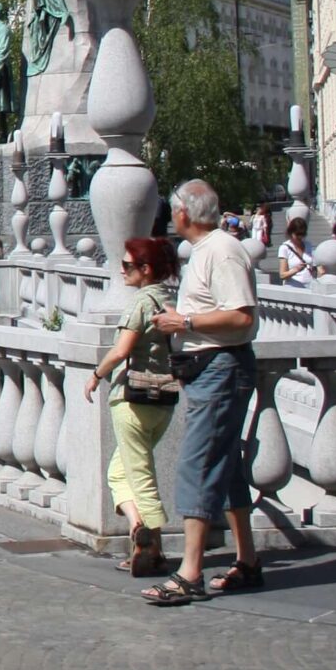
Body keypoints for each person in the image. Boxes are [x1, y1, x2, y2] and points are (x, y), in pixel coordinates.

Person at [143, 179, 263, 606]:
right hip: (209, 369)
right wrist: (183, 317)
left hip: (221, 370)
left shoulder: (222, 250)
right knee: (225, 466)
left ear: (183, 214)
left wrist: (186, 324)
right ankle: (247, 559)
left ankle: (190, 572)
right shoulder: (207, 251)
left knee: (197, 464)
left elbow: (241, 317)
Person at [85, 236, 179, 577]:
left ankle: (152, 542)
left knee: (138, 475)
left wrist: (97, 374)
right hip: (164, 399)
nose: (122, 271)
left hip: (134, 398)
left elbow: (122, 350)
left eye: (127, 266)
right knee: (120, 471)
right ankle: (141, 535)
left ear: (145, 269)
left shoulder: (141, 301)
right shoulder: (170, 300)